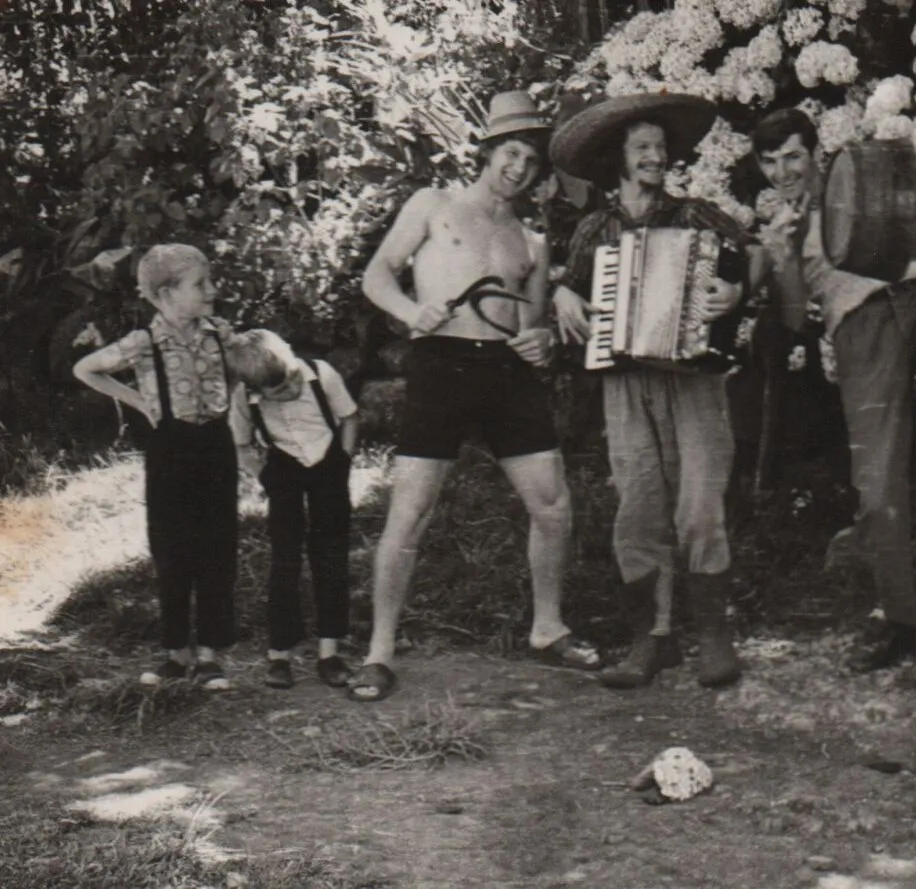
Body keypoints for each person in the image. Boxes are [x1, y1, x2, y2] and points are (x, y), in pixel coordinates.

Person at [354, 90, 599, 702]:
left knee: (553, 505)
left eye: (531, 161)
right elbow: (376, 275)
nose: (519, 168)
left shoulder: (531, 241)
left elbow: (531, 326)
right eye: (511, 153)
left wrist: (543, 341)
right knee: (411, 511)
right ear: (488, 151)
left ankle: (548, 627)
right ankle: (379, 652)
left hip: (506, 372)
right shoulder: (433, 205)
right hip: (441, 362)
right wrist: (411, 312)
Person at [753, 107, 916, 672]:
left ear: (815, 153)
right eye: (769, 162)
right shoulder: (781, 225)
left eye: (792, 156)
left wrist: (903, 214)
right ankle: (901, 622)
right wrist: (783, 258)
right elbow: (793, 316)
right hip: (859, 324)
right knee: (877, 479)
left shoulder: (857, 179)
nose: (782, 171)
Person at [550, 92, 752, 689]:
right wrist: (563, 294)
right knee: (637, 507)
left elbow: (752, 255)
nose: (655, 157)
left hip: (693, 381)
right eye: (643, 148)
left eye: (660, 148)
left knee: (700, 506)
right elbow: (572, 286)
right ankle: (654, 638)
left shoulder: (696, 215)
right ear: (619, 158)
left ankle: (713, 636)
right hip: (625, 381)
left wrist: (735, 293)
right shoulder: (595, 229)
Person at [73, 243, 238, 689]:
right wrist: (138, 401)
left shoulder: (220, 334)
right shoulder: (144, 343)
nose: (212, 290)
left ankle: (210, 655)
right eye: (200, 284)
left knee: (218, 547)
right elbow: (86, 369)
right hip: (170, 452)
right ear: (166, 294)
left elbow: (239, 379)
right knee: (172, 549)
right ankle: (176, 653)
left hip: (217, 447)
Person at [227, 329, 358, 690]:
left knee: (330, 554)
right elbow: (240, 445)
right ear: (256, 390)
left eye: (291, 380)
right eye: (278, 391)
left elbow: (349, 417)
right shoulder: (244, 397)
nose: (290, 390)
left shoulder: (321, 374)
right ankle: (279, 654)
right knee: (285, 559)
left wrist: (343, 460)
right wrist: (265, 477)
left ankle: (329, 652)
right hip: (284, 469)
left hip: (328, 465)